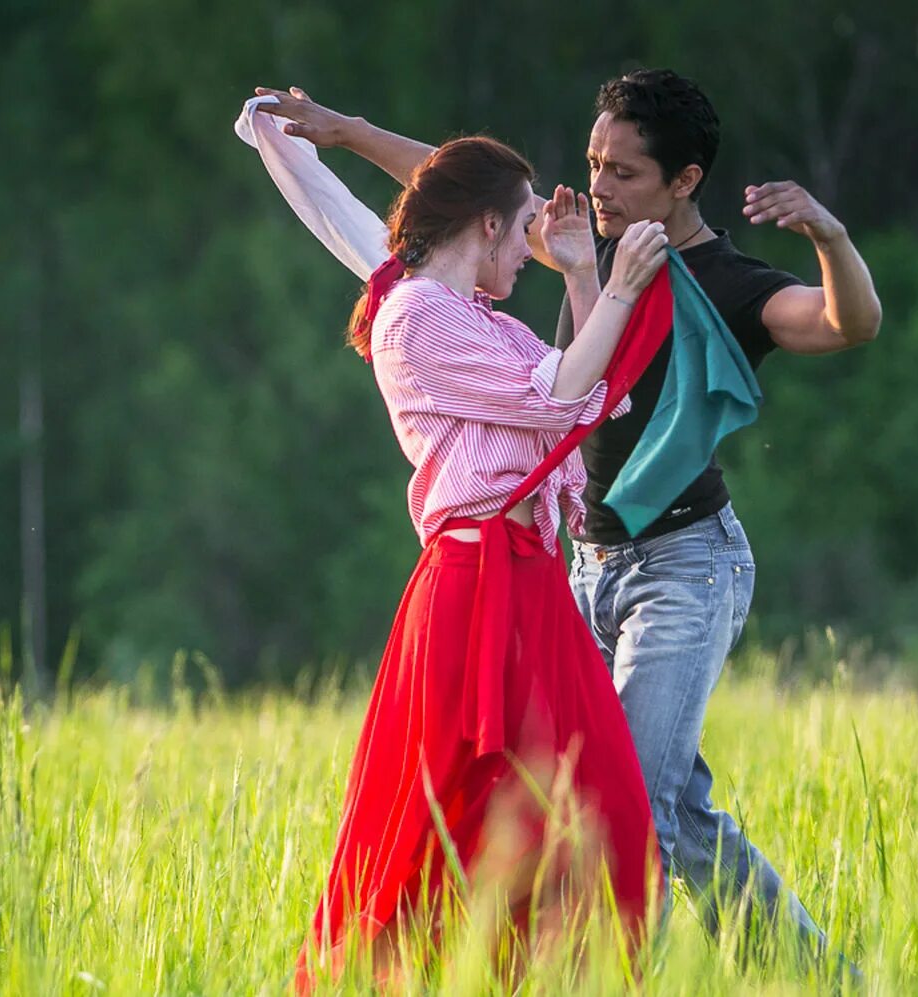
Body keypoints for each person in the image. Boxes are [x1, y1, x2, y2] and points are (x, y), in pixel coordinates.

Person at [255, 69, 882, 976]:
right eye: (593, 164)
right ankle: (821, 978)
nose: (597, 189)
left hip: (682, 564)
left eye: (623, 173)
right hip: (578, 566)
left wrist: (829, 233)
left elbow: (842, 322)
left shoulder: (730, 285)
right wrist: (342, 132)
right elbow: (468, 198)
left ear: (685, 181)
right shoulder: (586, 247)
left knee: (635, 806)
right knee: (653, 804)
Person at [284, 132, 669, 989]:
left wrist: (582, 274)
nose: (535, 245)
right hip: (473, 587)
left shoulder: (480, 320)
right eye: (529, 228)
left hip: (532, 583)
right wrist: (623, 283)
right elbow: (565, 391)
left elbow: (594, 388)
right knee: (444, 822)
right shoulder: (415, 317)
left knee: (602, 810)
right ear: (489, 225)